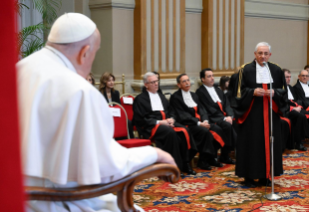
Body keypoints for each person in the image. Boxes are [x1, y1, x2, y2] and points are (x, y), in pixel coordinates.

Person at [17, 13, 175, 212]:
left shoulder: (18, 69)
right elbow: (106, 168)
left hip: (15, 195)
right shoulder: (79, 90)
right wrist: (154, 153)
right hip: (56, 199)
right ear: (85, 52)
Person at [233, 42, 287, 188]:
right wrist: (252, 92)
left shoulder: (276, 70)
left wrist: (275, 92)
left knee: (270, 143)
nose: (263, 56)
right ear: (255, 54)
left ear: (270, 55)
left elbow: (284, 91)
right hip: (252, 113)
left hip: (270, 113)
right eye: (260, 53)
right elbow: (238, 92)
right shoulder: (245, 70)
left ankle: (266, 176)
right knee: (251, 144)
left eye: (265, 54)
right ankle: (249, 177)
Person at [133, 72, 197, 175]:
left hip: (167, 123)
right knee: (170, 133)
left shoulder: (161, 96)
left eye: (156, 81)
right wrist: (159, 122)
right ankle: (174, 166)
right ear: (146, 85)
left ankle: (186, 162)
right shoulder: (140, 99)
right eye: (153, 82)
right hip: (152, 127)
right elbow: (140, 119)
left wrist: (171, 119)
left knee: (185, 131)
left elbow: (171, 111)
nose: (156, 84)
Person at [169, 74, 225, 170]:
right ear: (179, 85)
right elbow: (183, 115)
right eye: (184, 81)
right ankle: (202, 160)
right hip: (189, 124)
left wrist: (205, 120)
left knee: (218, 129)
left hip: (201, 123)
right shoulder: (176, 97)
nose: (187, 83)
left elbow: (202, 110)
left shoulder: (194, 95)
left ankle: (210, 157)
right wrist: (199, 123)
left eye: (188, 80)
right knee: (205, 132)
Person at [196, 68, 236, 165]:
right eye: (209, 76)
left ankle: (226, 154)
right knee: (225, 127)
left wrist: (230, 115)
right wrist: (223, 118)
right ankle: (222, 155)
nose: (212, 78)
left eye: (212, 76)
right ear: (202, 79)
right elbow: (207, 109)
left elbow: (227, 104)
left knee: (235, 123)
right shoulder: (200, 92)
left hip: (223, 117)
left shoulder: (218, 90)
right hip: (212, 119)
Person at [283, 69, 309, 151]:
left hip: (296, 107)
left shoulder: (290, 87)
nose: (289, 79)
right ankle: (299, 142)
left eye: (290, 77)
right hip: (286, 110)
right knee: (301, 116)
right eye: (286, 77)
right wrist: (293, 108)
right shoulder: (281, 88)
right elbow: (283, 102)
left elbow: (296, 100)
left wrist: (298, 106)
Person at [293, 70, 309, 148]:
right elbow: (302, 100)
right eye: (303, 76)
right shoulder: (297, 87)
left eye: (306, 76)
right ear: (299, 76)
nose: (305, 77)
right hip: (306, 107)